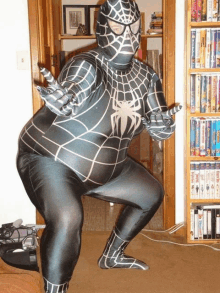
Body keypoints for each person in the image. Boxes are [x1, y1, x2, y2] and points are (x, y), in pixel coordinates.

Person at [17, 0, 181, 292]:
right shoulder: (86, 64)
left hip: (108, 166)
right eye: (118, 26)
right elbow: (75, 89)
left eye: (133, 27)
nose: (127, 34)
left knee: (152, 193)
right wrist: (64, 101)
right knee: (67, 218)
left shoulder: (147, 77)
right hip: (53, 158)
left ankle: (112, 256)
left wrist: (163, 127)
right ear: (103, 28)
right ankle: (55, 289)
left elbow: (158, 121)